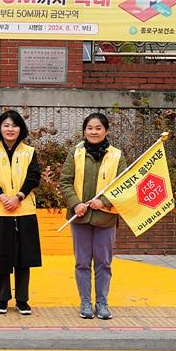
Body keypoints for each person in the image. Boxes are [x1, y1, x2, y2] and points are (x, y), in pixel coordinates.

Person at [59, 112, 127, 320]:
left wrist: (104, 201)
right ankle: (86, 302)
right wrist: (75, 203)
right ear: (84, 131)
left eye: (98, 128)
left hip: (105, 218)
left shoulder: (117, 155)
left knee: (104, 262)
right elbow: (65, 181)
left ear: (106, 131)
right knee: (81, 262)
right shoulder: (75, 153)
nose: (93, 132)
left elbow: (124, 185)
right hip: (80, 217)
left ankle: (102, 302)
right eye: (90, 128)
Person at [0, 110, 42, 315]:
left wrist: (19, 196)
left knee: (24, 257)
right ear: (0, 128)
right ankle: (2, 298)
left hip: (24, 211)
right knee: (0, 257)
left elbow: (34, 177)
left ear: (20, 128)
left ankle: (22, 300)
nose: (10, 129)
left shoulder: (29, 152)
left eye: (14, 125)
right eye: (6, 125)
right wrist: (3, 197)